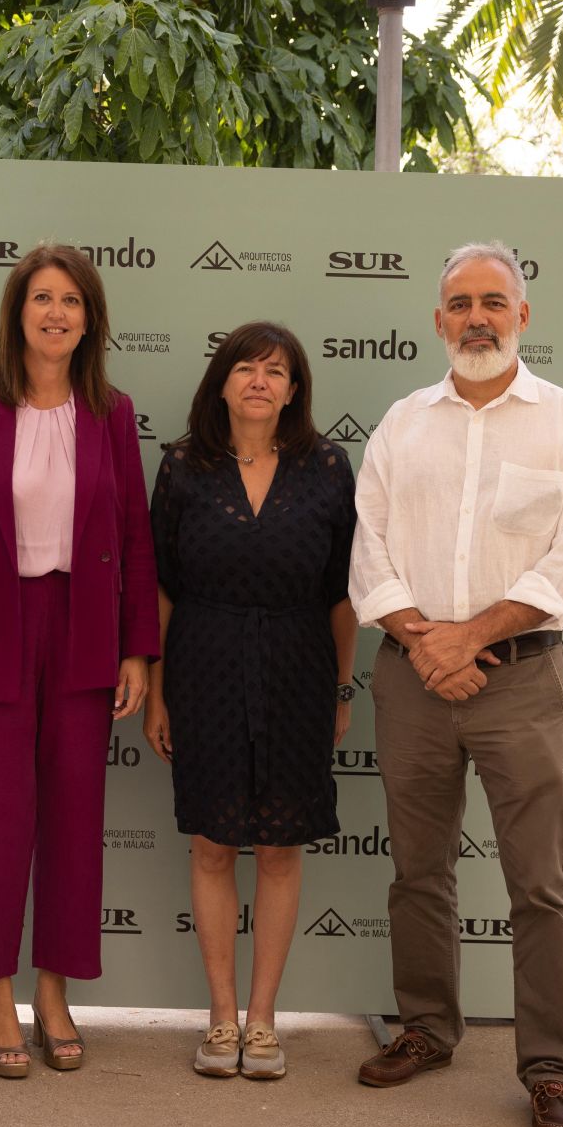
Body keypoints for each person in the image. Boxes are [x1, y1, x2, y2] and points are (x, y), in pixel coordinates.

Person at [348, 241, 563, 1127]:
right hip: (414, 676)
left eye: (494, 301)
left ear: (524, 315)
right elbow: (368, 552)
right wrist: (429, 645)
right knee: (418, 870)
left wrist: (469, 638)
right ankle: (426, 1028)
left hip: (520, 678)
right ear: (437, 320)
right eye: (459, 302)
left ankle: (551, 1072)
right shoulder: (402, 424)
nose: (476, 317)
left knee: (540, 883)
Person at [0, 243, 160, 1077]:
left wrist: (138, 649)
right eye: (43, 299)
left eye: (73, 302)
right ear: (18, 313)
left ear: (90, 321)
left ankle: (54, 991)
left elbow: (133, 537)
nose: (57, 314)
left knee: (70, 821)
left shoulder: (112, 412)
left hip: (83, 630)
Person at [142, 322, 357, 1081]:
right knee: (211, 844)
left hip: (299, 667)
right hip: (203, 666)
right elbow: (161, 588)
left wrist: (340, 686)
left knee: (280, 846)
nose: (260, 381)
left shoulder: (328, 468)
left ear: (295, 390)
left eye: (276, 371)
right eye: (246, 368)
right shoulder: (182, 467)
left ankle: (264, 1021)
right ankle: (220, 1017)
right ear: (223, 382)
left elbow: (341, 594)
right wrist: (157, 690)